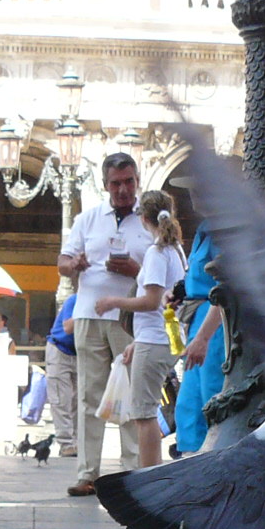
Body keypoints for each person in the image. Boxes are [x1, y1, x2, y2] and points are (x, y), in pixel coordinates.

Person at [59, 152, 151, 495]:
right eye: (116, 183)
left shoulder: (149, 220)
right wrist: (75, 264)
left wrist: (134, 271)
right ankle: (88, 473)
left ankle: (132, 470)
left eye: (129, 181)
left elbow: (166, 270)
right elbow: (63, 262)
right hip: (88, 313)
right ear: (105, 185)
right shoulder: (88, 218)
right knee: (89, 394)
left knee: (131, 393)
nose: (123, 190)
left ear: (137, 180)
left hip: (130, 318)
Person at [96, 188, 184, 471]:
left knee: (143, 415)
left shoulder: (157, 253)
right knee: (145, 413)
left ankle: (149, 476)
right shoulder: (175, 250)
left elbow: (151, 301)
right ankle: (152, 473)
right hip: (161, 338)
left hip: (154, 340)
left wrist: (113, 301)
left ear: (144, 219)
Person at [172, 217, 224, 457]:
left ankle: (213, 460)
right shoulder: (205, 227)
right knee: (189, 401)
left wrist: (204, 337)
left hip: (215, 322)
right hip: (198, 318)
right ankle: (190, 458)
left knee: (211, 395)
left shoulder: (226, 227)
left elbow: (228, 285)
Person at [43, 291, 77, 455]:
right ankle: (66, 444)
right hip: (59, 349)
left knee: (80, 401)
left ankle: (78, 442)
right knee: (61, 399)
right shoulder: (75, 300)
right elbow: (68, 327)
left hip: (81, 352)